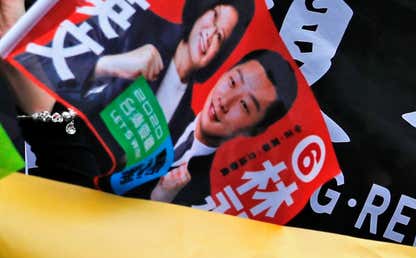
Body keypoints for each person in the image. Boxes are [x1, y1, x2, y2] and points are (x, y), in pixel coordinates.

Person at [2, 0, 253, 178]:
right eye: (214, 16)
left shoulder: (188, 122)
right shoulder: (130, 22)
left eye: (221, 36)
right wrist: (105, 65)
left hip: (74, 208)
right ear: (201, 10)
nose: (210, 34)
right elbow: (57, 71)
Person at [144, 49, 300, 205]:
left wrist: (159, 200)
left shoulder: (202, 196)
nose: (224, 101)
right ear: (224, 73)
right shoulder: (164, 96)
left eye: (244, 105)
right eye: (232, 82)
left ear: (255, 130)